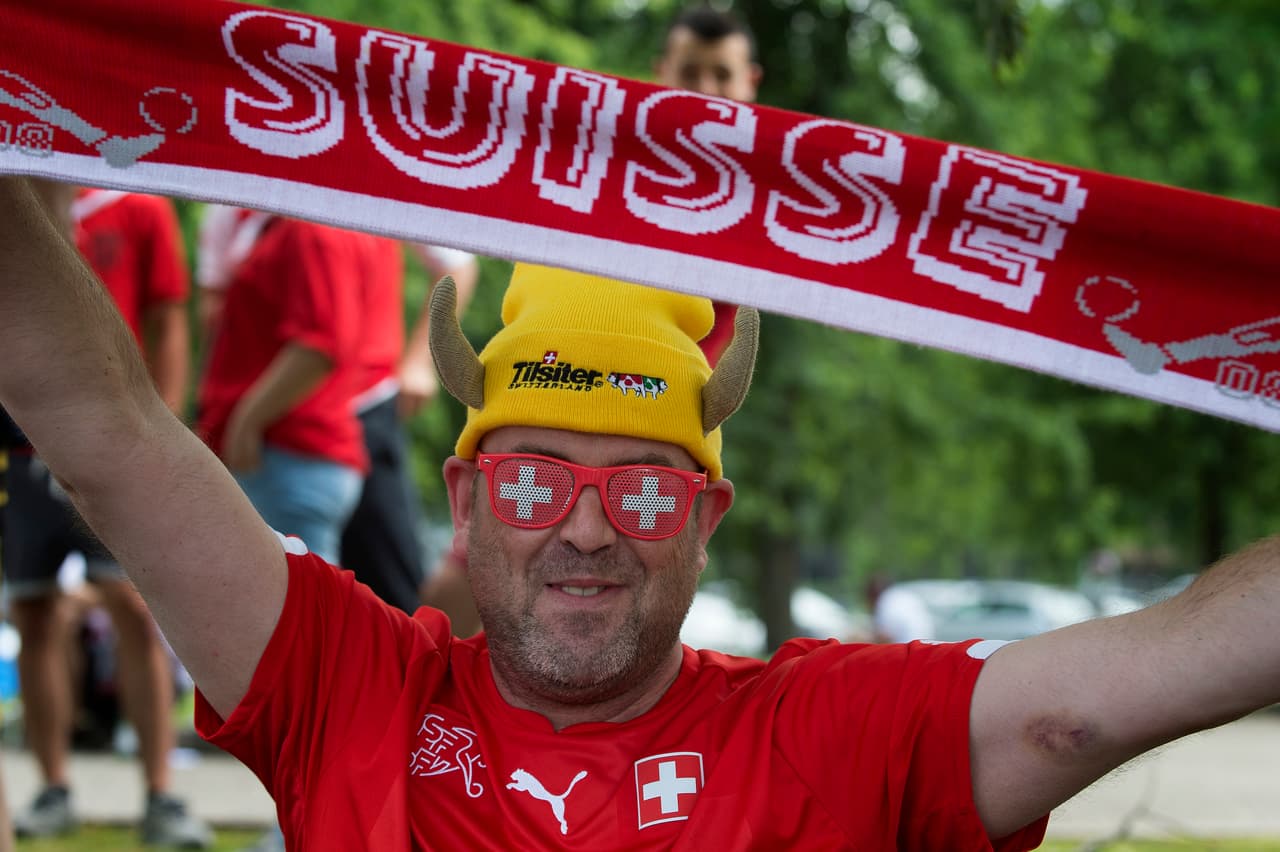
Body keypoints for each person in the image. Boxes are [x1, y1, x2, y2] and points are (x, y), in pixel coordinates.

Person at [4, 176, 1280, 847]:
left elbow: (1135, 681)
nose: (584, 527)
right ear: (463, 497)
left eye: (643, 484)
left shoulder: (823, 730)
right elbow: (107, 428)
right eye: (533, 474)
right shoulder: (348, 682)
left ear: (706, 514)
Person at [0, 183, 211, 847]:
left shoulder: (137, 205)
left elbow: (168, 316)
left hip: (112, 444)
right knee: (32, 614)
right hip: (17, 447)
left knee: (137, 610)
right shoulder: (12, 197)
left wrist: (165, 432)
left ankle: (162, 795)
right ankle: (54, 787)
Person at [654, 6, 763, 366]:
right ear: (661, 74)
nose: (705, 91)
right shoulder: (604, 164)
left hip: (684, 401)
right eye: (689, 72)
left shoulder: (768, 194)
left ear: (751, 81)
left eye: (722, 74)